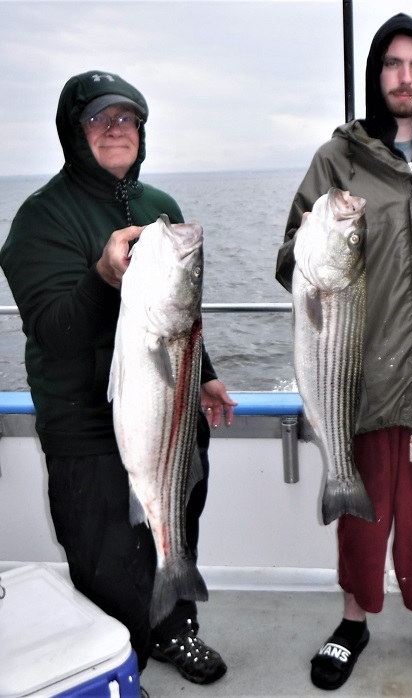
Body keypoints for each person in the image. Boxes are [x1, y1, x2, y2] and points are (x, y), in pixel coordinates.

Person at [0, 70, 237, 687]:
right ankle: (117, 664)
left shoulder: (161, 209)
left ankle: (175, 629)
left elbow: (180, 320)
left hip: (171, 416)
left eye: (127, 118)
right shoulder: (40, 219)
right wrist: (102, 278)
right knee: (107, 566)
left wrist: (206, 377)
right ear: (72, 132)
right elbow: (54, 330)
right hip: (86, 431)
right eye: (99, 119)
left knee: (174, 525)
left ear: (142, 130)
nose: (115, 129)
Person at [276, 14, 412, 691]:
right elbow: (289, 259)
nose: (404, 77)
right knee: (360, 516)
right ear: (376, 74)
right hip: (360, 374)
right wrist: (315, 241)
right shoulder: (336, 161)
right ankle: (353, 620)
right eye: (393, 64)